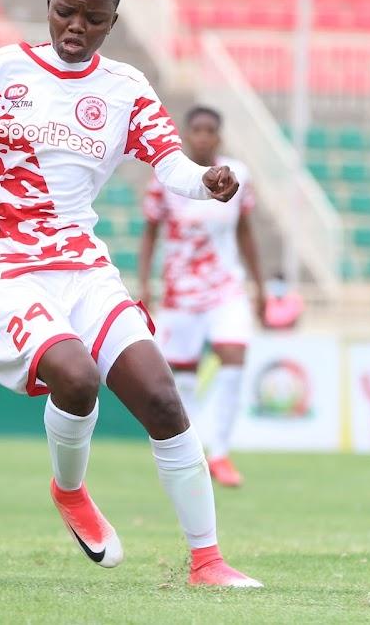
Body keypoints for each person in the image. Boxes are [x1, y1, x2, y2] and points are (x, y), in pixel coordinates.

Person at [0, 0, 261, 587]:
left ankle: (208, 561)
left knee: (162, 398)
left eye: (93, 17)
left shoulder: (125, 88)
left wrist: (206, 181)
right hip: (3, 259)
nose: (75, 26)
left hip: (80, 263)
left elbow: (170, 164)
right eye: (65, 11)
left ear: (113, 20)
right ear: (49, 3)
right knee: (77, 376)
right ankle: (70, 490)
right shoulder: (0, 69)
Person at [138, 106, 265, 488]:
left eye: (211, 130)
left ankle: (221, 453)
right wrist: (144, 284)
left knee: (234, 355)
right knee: (183, 377)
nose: (204, 137)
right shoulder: (167, 177)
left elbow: (245, 232)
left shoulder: (237, 175)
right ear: (187, 134)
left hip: (226, 286)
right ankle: (193, 455)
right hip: (180, 292)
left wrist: (259, 286)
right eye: (197, 130)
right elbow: (150, 233)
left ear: (219, 137)